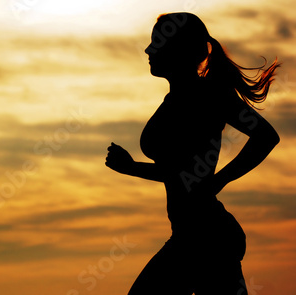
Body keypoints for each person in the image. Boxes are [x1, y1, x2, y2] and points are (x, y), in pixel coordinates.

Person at [105, 12, 280, 295]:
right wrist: (130, 167)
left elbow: (266, 136)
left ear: (177, 50)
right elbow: (179, 173)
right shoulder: (176, 99)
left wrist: (217, 181)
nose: (149, 50)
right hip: (191, 235)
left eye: (156, 43)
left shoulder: (208, 96)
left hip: (206, 239)